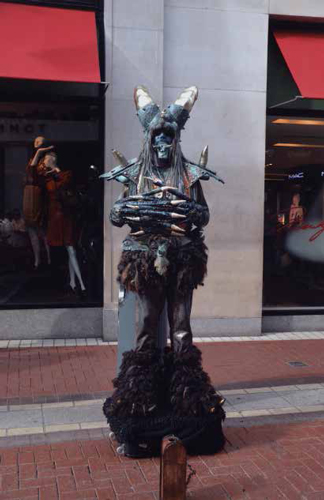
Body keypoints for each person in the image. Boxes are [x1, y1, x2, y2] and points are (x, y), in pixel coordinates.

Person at [102, 85, 225, 457]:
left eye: (168, 139)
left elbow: (203, 214)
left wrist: (192, 213)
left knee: (182, 326)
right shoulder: (135, 175)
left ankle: (186, 394)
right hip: (145, 260)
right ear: (149, 139)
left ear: (175, 141)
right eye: (157, 139)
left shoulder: (189, 175)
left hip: (182, 260)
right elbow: (116, 214)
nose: (162, 146)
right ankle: (141, 395)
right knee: (144, 327)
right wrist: (122, 212)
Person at [38, 151, 86, 294]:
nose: (44, 162)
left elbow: (64, 184)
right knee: (65, 250)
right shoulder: (47, 179)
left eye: (46, 159)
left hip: (64, 215)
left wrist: (56, 172)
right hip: (54, 216)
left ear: (52, 160)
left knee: (70, 248)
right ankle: (73, 282)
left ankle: (81, 284)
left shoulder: (65, 174)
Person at [23, 136, 52, 269]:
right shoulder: (32, 159)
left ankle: (49, 257)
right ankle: (37, 260)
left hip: (37, 193)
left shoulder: (45, 161)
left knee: (41, 229)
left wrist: (40, 153)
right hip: (28, 193)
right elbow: (29, 172)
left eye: (39, 141)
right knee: (31, 229)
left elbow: (34, 171)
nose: (36, 142)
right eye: (35, 140)